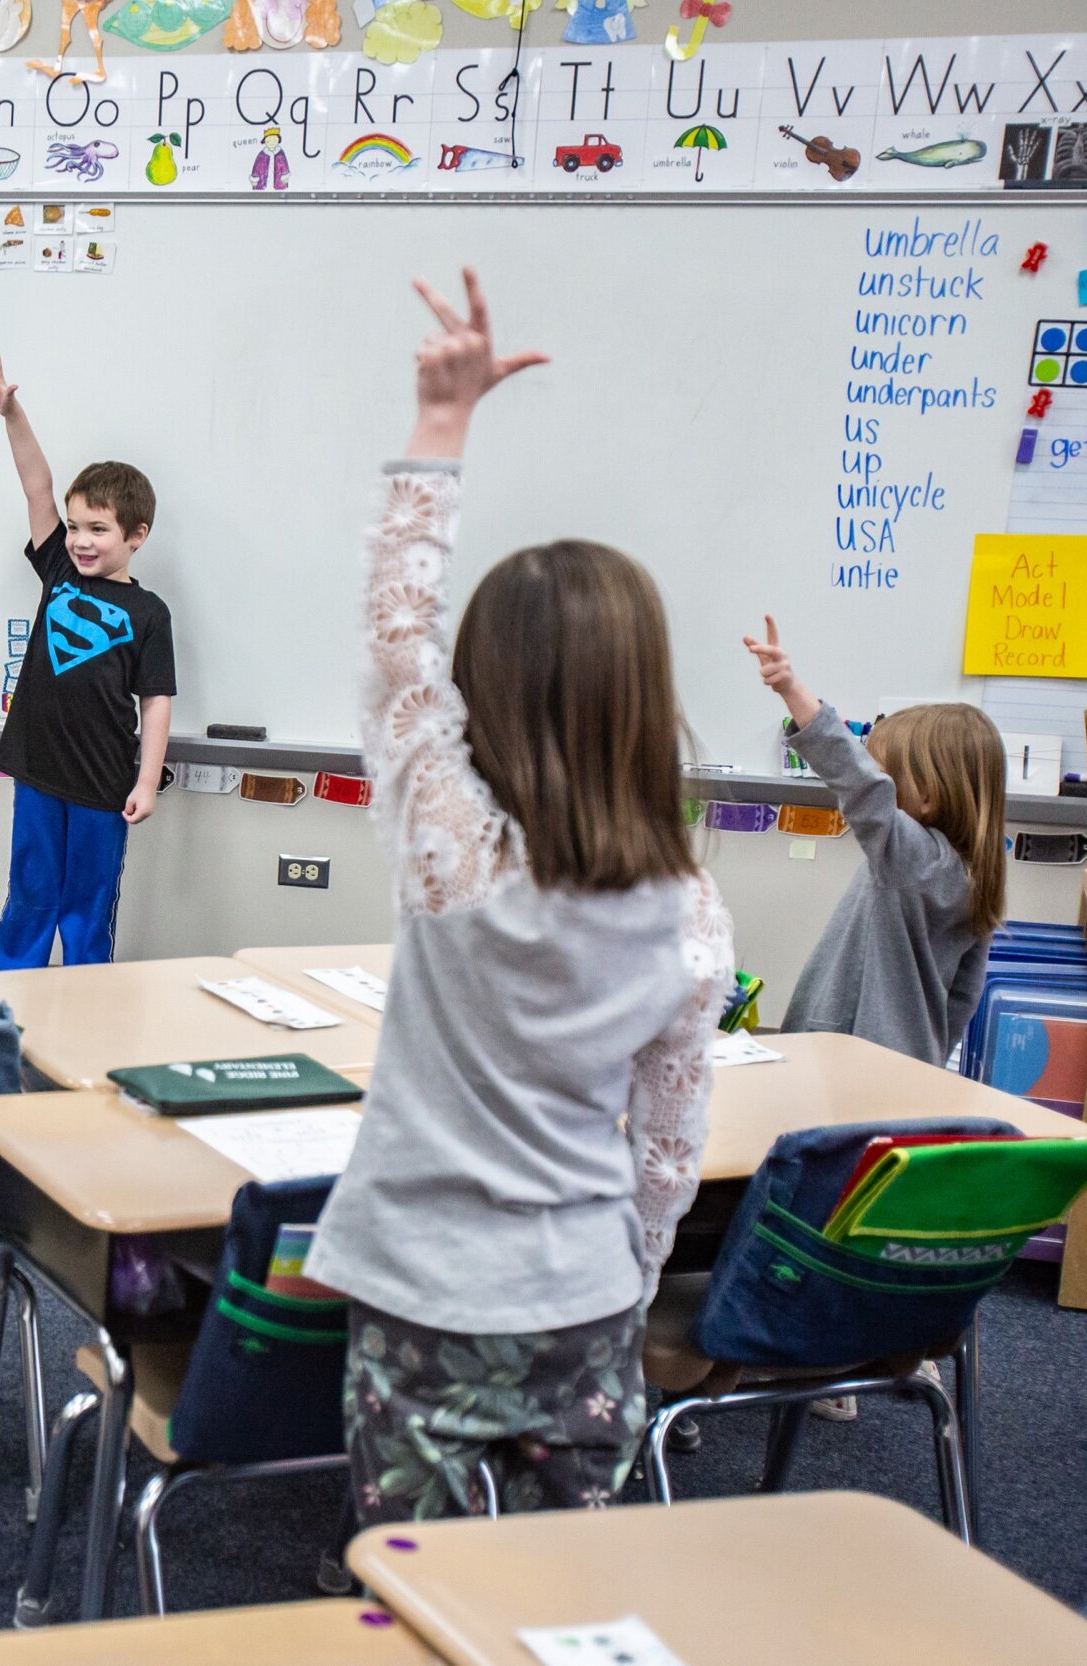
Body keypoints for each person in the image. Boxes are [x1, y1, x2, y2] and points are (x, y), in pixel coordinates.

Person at [302, 270, 733, 1521]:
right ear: (645, 699)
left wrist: (439, 429)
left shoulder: (453, 857)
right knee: (566, 1595)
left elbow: (396, 637)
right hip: (583, 1298)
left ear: (482, 691)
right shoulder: (690, 915)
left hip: (423, 1291)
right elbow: (666, 1148)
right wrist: (634, 1278)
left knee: (413, 1582)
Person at [0, 351, 175, 968]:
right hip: (37, 769)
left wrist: (146, 781)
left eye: (99, 530)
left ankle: (90, 1020)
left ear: (136, 535)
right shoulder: (59, 571)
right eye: (76, 527)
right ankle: (12, 1014)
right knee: (31, 900)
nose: (81, 541)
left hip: (101, 785)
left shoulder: (149, 614)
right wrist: (13, 412)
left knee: (87, 912)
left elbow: (156, 701)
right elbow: (37, 483)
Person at [743, 622, 1005, 1067]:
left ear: (928, 794)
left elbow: (862, 789)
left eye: (884, 772)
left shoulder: (915, 862)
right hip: (901, 1066)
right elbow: (963, 997)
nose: (875, 777)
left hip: (851, 1064)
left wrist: (793, 691)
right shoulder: (969, 871)